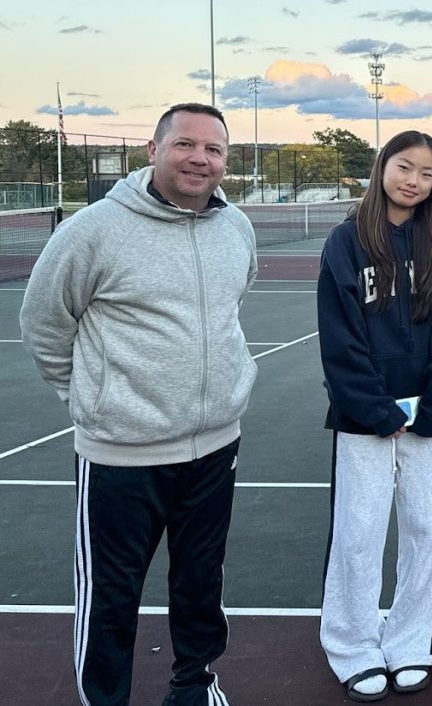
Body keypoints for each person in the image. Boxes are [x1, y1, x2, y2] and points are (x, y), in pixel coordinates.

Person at [21, 102, 257, 706]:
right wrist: (90, 399)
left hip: (215, 446)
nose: (199, 158)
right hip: (120, 455)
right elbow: (45, 321)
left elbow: (232, 307)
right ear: (152, 151)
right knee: (112, 598)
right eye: (185, 144)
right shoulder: (95, 229)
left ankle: (194, 686)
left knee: (201, 583)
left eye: (214, 149)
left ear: (225, 161)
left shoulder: (236, 229)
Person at [317, 131, 432, 701]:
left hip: (430, 418)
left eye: (427, 173)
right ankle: (352, 644)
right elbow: (339, 339)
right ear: (383, 168)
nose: (414, 180)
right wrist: (375, 408)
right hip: (365, 418)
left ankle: (411, 641)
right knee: (358, 533)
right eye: (404, 167)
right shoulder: (345, 241)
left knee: (421, 531)